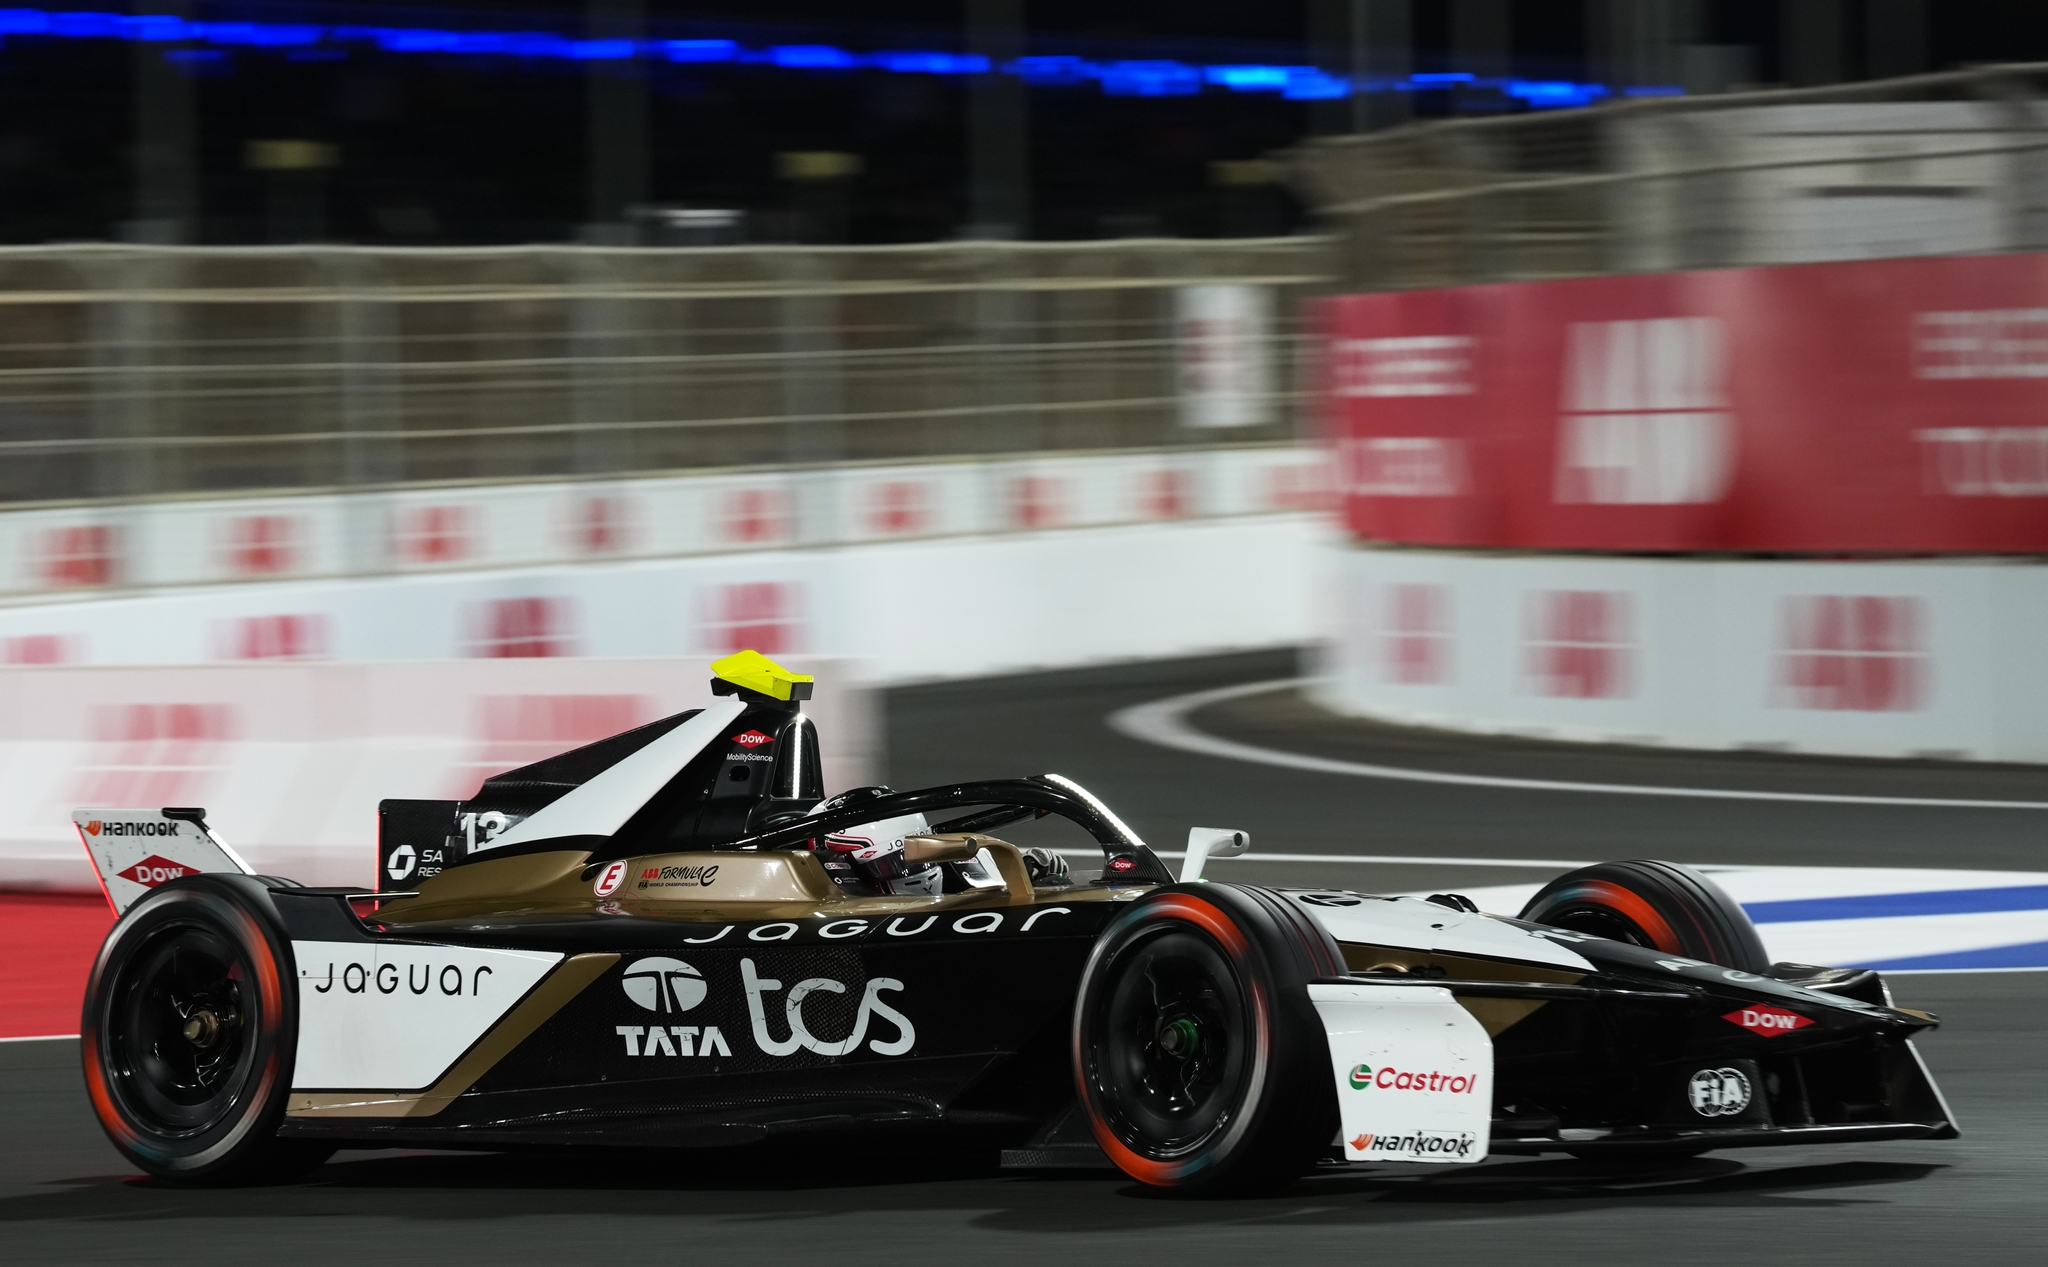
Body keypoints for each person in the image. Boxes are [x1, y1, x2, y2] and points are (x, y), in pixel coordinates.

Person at [808, 786, 1068, 896]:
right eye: (890, 865)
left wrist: (1036, 885)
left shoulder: (971, 865)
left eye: (924, 856)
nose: (918, 874)